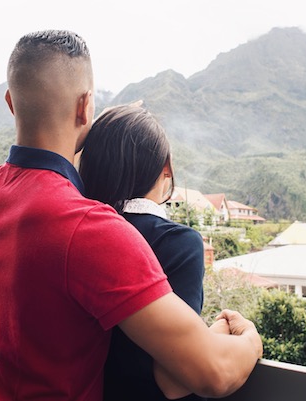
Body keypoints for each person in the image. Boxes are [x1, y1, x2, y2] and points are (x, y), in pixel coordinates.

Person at [0, 29, 262, 401]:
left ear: (11, 102)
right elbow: (212, 373)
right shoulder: (87, 227)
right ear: (85, 106)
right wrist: (250, 340)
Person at [79, 104, 207, 400]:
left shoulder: (77, 232)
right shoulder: (178, 243)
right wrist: (243, 338)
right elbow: (175, 380)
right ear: (166, 168)